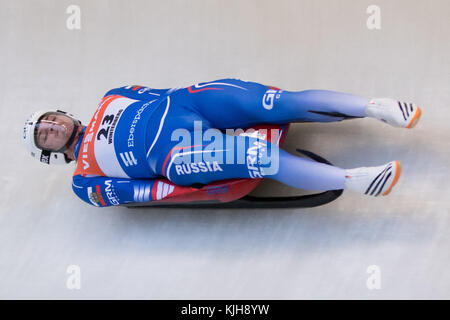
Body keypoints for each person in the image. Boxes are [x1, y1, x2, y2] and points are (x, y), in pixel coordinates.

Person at [23, 78, 421, 207]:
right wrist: (184, 187)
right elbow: (139, 193)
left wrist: (203, 96)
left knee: (274, 101)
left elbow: (162, 93)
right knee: (257, 155)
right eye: (44, 133)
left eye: (50, 119)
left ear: (62, 113)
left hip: (182, 105)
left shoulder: (112, 95)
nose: (52, 127)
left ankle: (375, 106)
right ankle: (356, 179)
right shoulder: (82, 180)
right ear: (49, 153)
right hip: (173, 155)